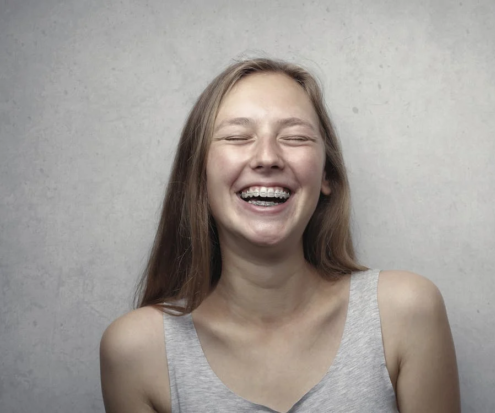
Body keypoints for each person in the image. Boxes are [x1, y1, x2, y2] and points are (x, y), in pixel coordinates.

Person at [99, 58, 460, 413]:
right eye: (238, 136)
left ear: (326, 176)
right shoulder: (136, 352)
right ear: (198, 174)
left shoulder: (406, 313)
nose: (267, 157)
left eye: (295, 137)